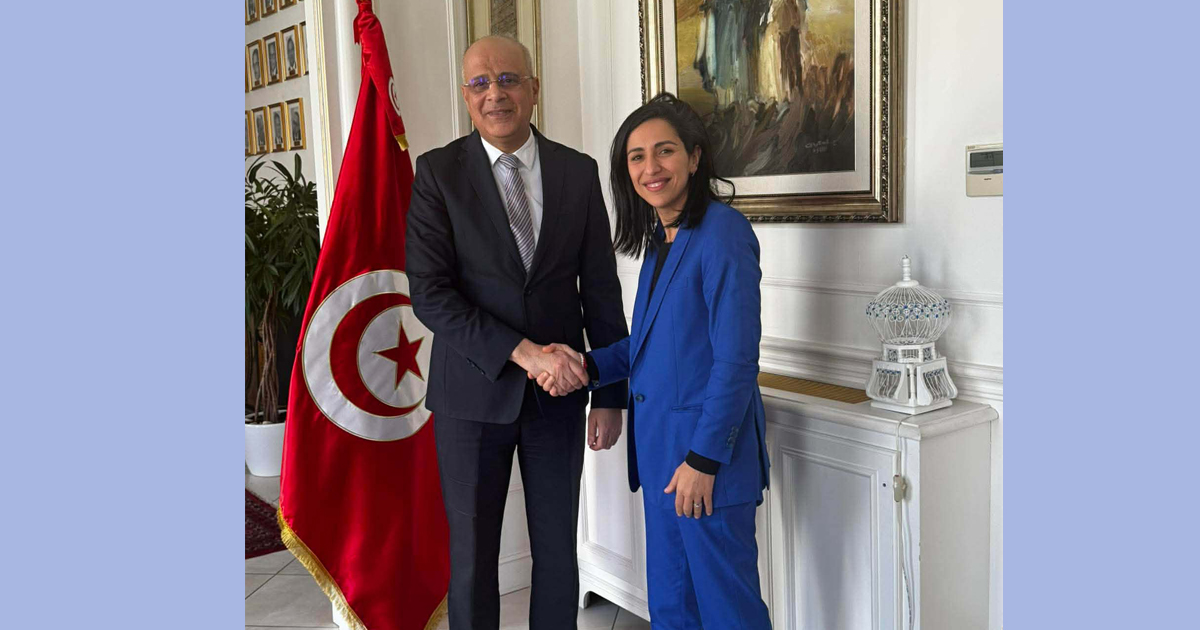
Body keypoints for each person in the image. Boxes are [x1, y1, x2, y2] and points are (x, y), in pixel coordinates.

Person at [405, 35, 629, 630]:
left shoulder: (577, 172)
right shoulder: (438, 173)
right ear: (465, 96)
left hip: (560, 398)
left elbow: (600, 290)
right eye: (480, 83)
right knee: (472, 560)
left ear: (534, 88)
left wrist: (610, 394)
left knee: (557, 554)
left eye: (507, 79)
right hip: (470, 396)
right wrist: (524, 353)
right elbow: (430, 293)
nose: (495, 94)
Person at [532, 93, 772, 629]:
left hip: (704, 464)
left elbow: (736, 362)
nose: (650, 167)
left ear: (694, 157)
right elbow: (647, 347)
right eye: (636, 157)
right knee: (670, 609)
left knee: (728, 614)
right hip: (663, 461)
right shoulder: (661, 242)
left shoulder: (724, 234)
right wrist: (584, 365)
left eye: (664, 151)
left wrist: (703, 461)